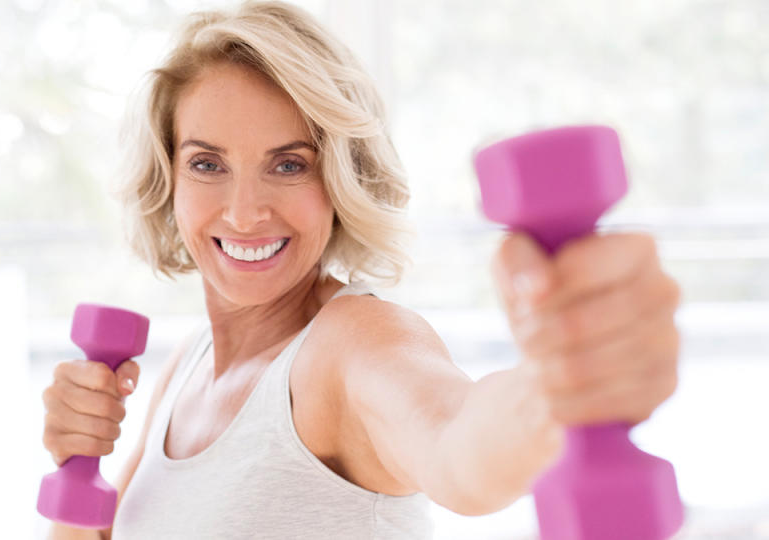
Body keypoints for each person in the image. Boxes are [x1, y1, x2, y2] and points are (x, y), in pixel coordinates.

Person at [41, 2, 681, 538]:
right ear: (170, 178)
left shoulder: (352, 343)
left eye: (289, 164)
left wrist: (557, 382)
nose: (243, 212)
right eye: (208, 164)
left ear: (341, 181)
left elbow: (457, 447)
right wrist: (75, 455)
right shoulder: (190, 362)